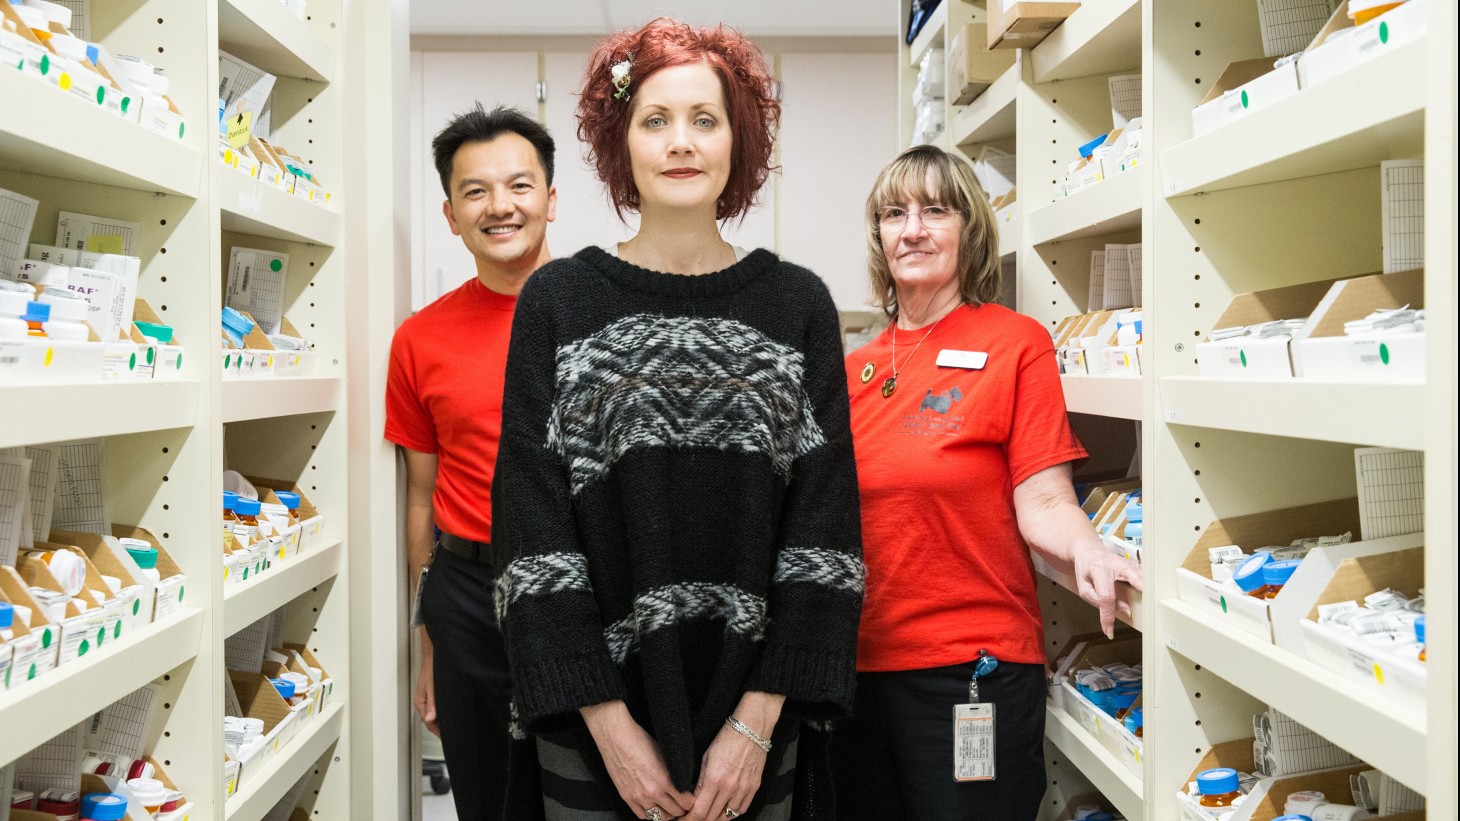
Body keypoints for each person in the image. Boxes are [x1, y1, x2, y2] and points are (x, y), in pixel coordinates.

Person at [491, 18, 863, 821]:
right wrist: (608, 721)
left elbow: (824, 528)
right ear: (619, 141)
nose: (680, 142)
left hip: (756, 722)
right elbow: (530, 525)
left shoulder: (797, 304)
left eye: (705, 119)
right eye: (655, 120)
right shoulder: (557, 304)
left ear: (741, 139)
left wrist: (758, 720)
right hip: (596, 720)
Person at [832, 145, 1145, 820]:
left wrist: (1089, 549)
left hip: (971, 670)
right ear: (879, 235)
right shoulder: (852, 370)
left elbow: (1045, 497)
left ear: (969, 229)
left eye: (934, 210)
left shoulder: (1014, 344)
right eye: (894, 213)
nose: (912, 228)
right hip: (856, 672)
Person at [385, 104, 557, 821]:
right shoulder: (420, 339)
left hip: (580, 579)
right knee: (486, 793)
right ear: (452, 214)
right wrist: (429, 637)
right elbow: (420, 497)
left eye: (519, 185)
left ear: (550, 198)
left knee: (593, 785)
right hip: (467, 589)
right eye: (475, 191)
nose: (500, 206)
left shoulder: (602, 316)